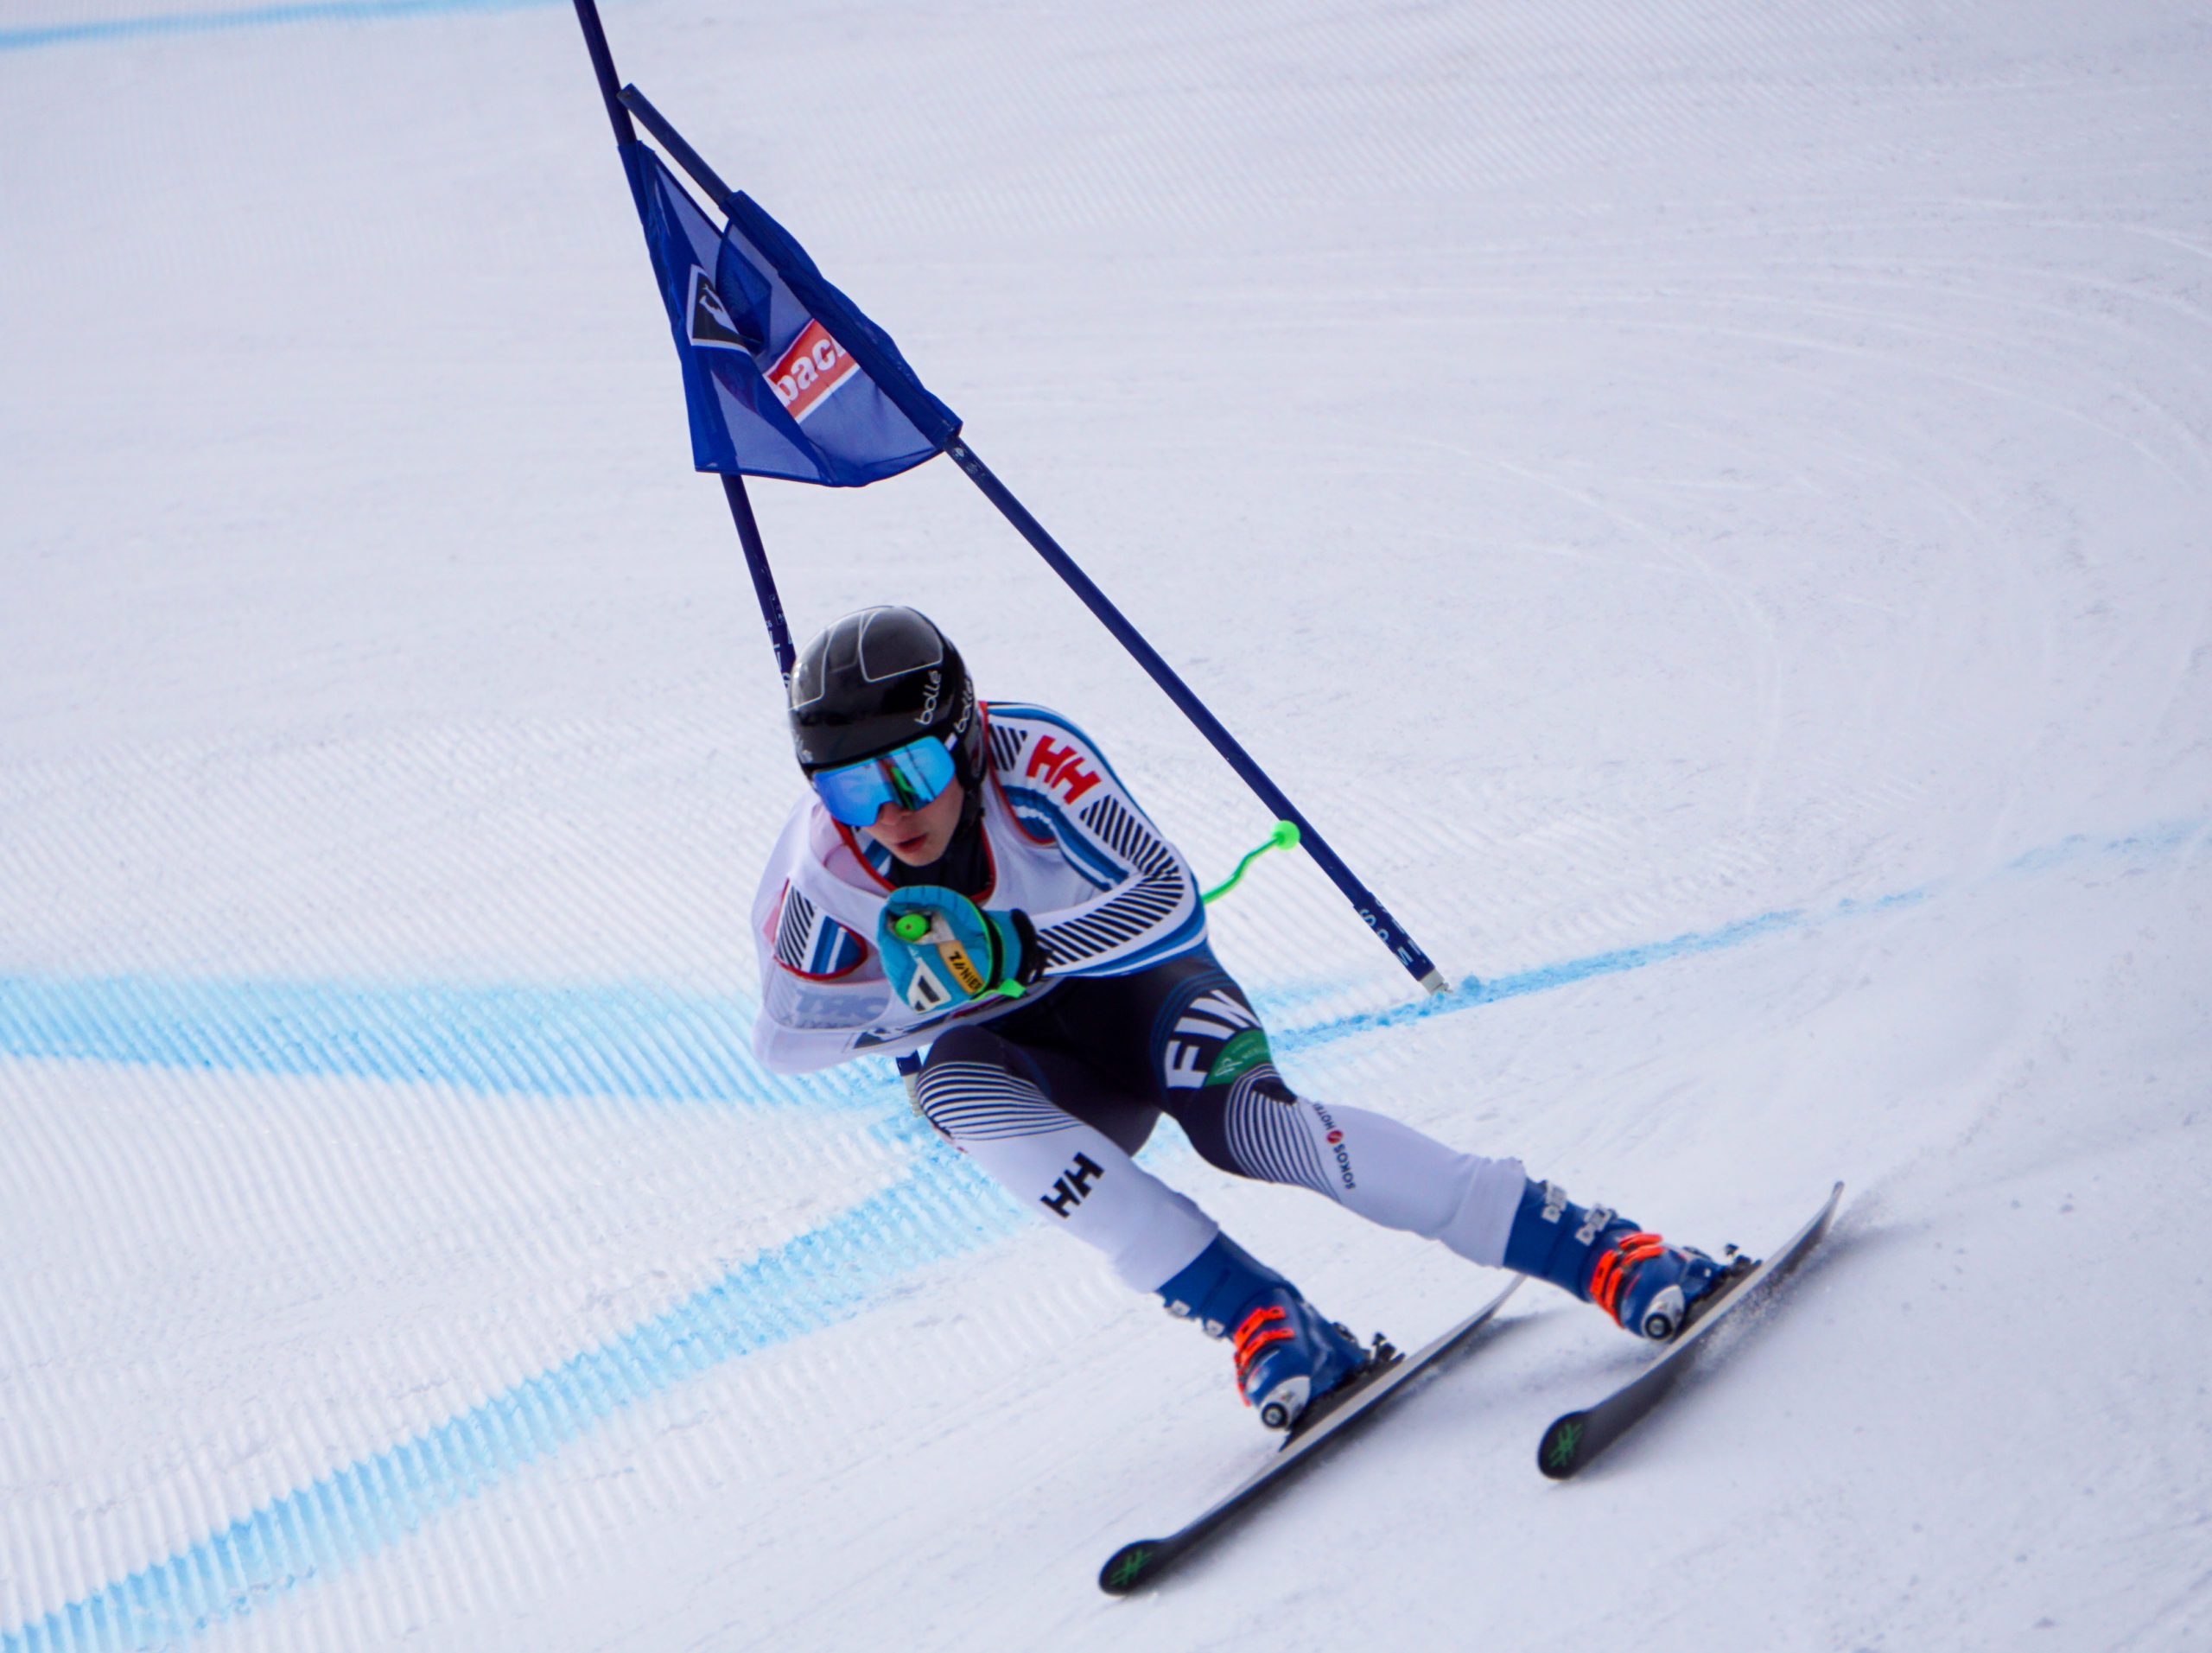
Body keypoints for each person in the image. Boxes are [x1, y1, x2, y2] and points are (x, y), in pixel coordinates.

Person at [751, 605, 1731, 1431]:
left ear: (966, 735)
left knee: (1254, 1129)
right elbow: (788, 1041)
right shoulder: (824, 873)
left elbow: (1169, 900)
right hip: (1043, 1069)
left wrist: (1025, 946)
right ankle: (1261, 1314)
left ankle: (1599, 1249)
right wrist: (908, 1003)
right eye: (848, 785)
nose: (887, 813)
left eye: (911, 772)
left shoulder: (1036, 757)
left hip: (1140, 994)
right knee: (948, 1090)